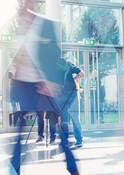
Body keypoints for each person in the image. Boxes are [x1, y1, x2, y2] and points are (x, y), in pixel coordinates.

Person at [9, 0, 79, 174]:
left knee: (59, 124)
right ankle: (14, 168)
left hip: (43, 84)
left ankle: (72, 167)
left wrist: (52, 81)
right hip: (24, 85)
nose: (27, 4)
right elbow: (17, 57)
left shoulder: (46, 24)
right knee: (20, 129)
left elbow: (55, 54)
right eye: (25, 2)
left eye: (31, 2)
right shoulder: (19, 27)